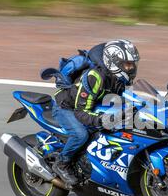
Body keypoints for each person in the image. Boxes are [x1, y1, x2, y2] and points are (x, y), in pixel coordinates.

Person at [52, 39, 140, 186]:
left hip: (91, 105)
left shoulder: (119, 79)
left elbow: (123, 100)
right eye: (128, 64)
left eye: (133, 64)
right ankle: (62, 163)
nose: (131, 68)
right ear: (114, 63)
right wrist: (101, 120)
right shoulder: (96, 77)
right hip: (66, 107)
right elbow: (81, 112)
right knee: (81, 135)